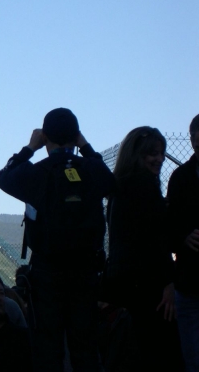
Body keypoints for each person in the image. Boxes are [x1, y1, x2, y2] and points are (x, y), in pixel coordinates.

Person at [0, 108, 114, 371]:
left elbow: (3, 178)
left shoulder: (36, 173)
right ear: (76, 135)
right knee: (85, 345)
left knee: (48, 347)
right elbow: (110, 182)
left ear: (44, 137)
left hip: (46, 271)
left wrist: (29, 148)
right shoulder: (90, 170)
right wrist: (85, 147)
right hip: (86, 270)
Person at [106, 126, 183, 370]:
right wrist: (169, 283)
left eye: (161, 153)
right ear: (137, 154)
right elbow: (156, 241)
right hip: (150, 288)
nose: (159, 159)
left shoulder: (118, 189)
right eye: (153, 154)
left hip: (126, 285)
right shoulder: (145, 185)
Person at [169, 114, 199, 371]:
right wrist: (181, 239)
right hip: (189, 281)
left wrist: (181, 239)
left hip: (188, 280)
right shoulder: (180, 178)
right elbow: (169, 227)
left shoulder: (180, 177)